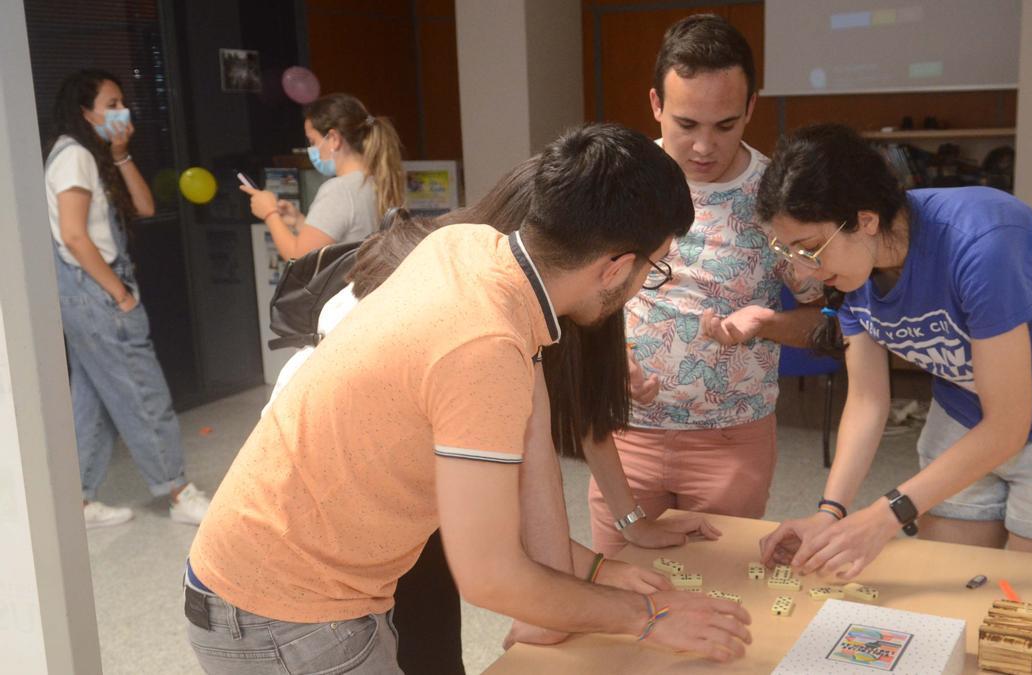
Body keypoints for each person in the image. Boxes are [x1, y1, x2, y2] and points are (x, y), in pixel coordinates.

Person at [184, 124, 753, 673]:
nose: (641, 288)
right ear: (615, 267)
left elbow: (533, 456)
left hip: (284, 581)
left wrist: (590, 573)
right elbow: (489, 575)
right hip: (282, 611)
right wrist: (648, 617)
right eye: (651, 271)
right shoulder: (484, 345)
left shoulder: (474, 249)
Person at [757, 124, 1032, 580]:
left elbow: (1008, 425)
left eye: (811, 249)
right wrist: (829, 513)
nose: (804, 271)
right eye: (790, 251)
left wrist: (883, 516)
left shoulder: (982, 243)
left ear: (867, 220)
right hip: (964, 411)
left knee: (1027, 604)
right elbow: (867, 399)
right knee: (954, 582)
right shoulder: (851, 270)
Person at [588, 14, 821, 556]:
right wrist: (603, 358)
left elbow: (828, 325)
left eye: (725, 125)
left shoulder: (778, 197)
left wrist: (767, 323)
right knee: (618, 593)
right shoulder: (614, 182)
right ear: (655, 105)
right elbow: (575, 296)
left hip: (730, 444)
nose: (702, 147)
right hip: (622, 434)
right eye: (686, 124)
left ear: (751, 109)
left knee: (716, 600)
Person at [43, 69, 210, 528]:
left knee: (91, 399)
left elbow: (145, 206)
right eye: (111, 104)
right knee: (143, 391)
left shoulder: (88, 157)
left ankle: (75, 501)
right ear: (85, 112)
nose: (122, 111)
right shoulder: (73, 157)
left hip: (85, 294)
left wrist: (120, 154)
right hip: (96, 291)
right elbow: (76, 236)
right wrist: (118, 293)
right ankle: (178, 492)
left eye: (122, 103)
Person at [240, 93, 406, 260]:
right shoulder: (379, 181)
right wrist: (300, 222)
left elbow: (299, 259)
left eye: (312, 141)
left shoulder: (339, 190)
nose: (311, 150)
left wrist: (270, 214)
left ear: (334, 139)